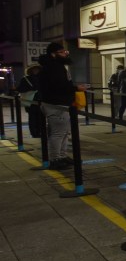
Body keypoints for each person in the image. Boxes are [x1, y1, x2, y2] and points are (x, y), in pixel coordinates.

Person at [37, 42, 90, 170]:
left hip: (60, 103)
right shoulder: (53, 67)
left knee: (65, 132)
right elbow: (58, 86)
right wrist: (76, 87)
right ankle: (55, 159)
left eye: (65, 51)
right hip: (55, 104)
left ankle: (62, 155)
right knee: (58, 133)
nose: (65, 54)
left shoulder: (57, 66)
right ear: (53, 54)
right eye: (61, 52)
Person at [16, 64, 42, 138]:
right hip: (30, 101)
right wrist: (30, 89)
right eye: (34, 69)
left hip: (40, 100)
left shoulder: (42, 78)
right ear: (30, 70)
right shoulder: (25, 79)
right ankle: (34, 133)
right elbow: (20, 89)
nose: (36, 70)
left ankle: (39, 131)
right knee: (32, 117)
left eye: (37, 69)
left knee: (40, 117)